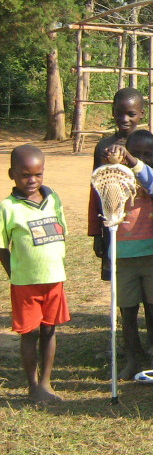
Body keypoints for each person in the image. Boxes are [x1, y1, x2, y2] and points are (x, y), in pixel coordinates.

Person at [0, 145, 70, 403]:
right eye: (25, 175)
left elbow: (61, 232)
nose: (32, 180)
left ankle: (46, 382)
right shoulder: (7, 208)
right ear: (12, 174)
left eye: (38, 174)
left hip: (54, 279)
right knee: (29, 333)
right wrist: (15, 273)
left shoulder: (53, 199)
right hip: (25, 284)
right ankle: (32, 386)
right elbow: (2, 247)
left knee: (49, 331)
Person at [103, 132, 153, 375]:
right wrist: (114, 161)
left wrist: (132, 159)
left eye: (146, 154)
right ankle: (132, 358)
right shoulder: (114, 177)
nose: (140, 158)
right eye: (134, 152)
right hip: (122, 254)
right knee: (127, 310)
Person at [88, 87, 146, 281]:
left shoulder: (147, 145)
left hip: (144, 224)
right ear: (112, 112)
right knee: (119, 282)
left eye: (131, 114)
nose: (125, 119)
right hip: (112, 223)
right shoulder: (103, 148)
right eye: (119, 113)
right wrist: (96, 233)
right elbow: (95, 191)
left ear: (142, 114)